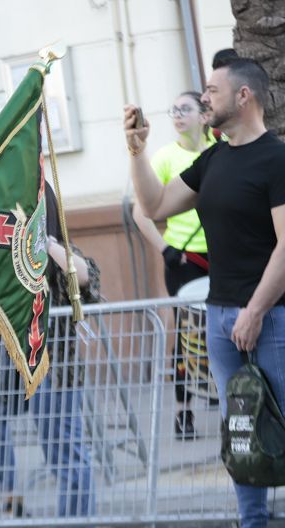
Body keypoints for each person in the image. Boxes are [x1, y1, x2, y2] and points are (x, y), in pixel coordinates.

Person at [125, 58, 285, 528]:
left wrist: (256, 310)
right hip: (220, 317)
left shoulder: (276, 159)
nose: (204, 98)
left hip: (270, 315)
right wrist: (137, 151)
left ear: (245, 97)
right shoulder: (214, 159)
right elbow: (154, 206)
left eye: (213, 90)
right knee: (241, 429)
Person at [0, 183, 101, 528]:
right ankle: (10, 500)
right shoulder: (1, 254)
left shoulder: (61, 252)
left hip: (54, 366)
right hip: (6, 364)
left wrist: (43, 241)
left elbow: (86, 279)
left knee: (64, 449)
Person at [131, 92, 216, 439]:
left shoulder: (218, 151)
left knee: (225, 331)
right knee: (186, 333)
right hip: (184, 259)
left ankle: (227, 399)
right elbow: (141, 211)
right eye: (174, 110)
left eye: (186, 109)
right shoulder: (166, 156)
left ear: (203, 115)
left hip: (223, 256)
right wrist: (165, 249)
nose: (178, 116)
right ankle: (184, 412)